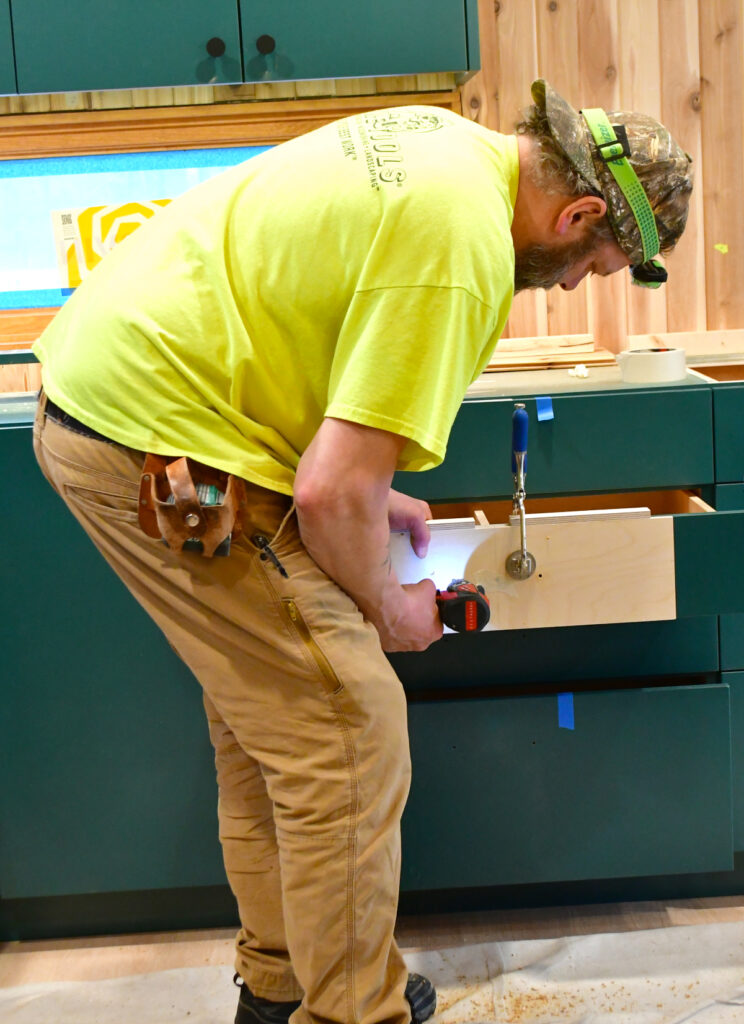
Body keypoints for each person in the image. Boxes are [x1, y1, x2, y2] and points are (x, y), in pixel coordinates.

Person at [31, 79, 692, 1024]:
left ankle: (285, 984)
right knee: (346, 731)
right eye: (594, 261)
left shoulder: (448, 148)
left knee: (278, 729)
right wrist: (390, 603)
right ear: (581, 210)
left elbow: (324, 391)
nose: (577, 282)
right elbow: (329, 493)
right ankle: (352, 1013)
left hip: (139, 410)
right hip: (160, 447)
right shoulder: (462, 250)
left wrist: (375, 493)